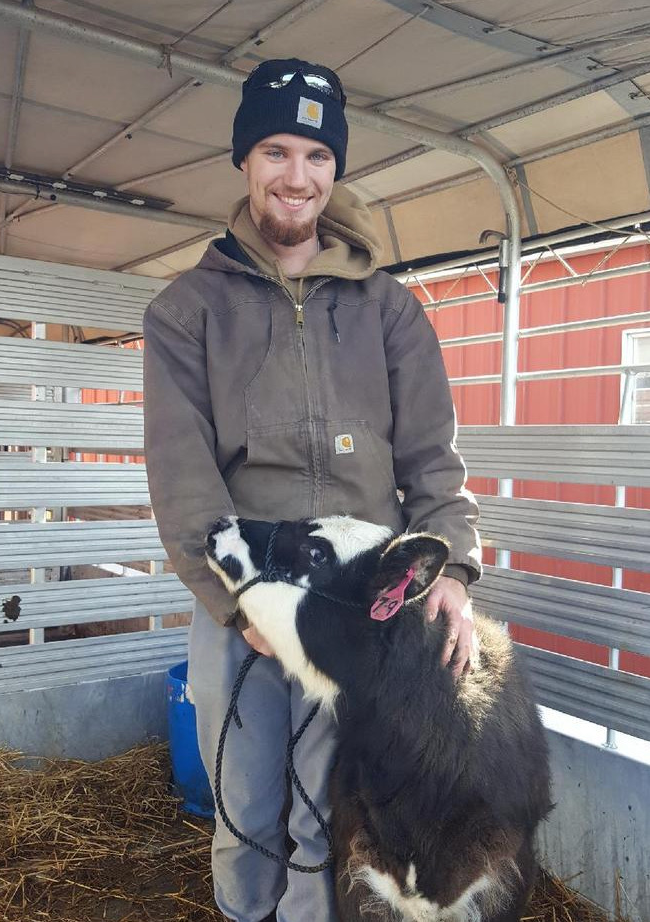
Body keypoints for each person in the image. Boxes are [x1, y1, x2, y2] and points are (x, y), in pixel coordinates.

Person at [143, 58, 481, 922]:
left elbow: (432, 458)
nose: (298, 177)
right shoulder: (188, 312)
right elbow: (183, 478)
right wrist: (240, 601)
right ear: (245, 162)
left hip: (363, 607)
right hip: (244, 602)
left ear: (336, 170)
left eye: (317, 157)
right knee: (248, 814)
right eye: (277, 151)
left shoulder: (390, 311)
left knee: (337, 817)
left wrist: (451, 570)